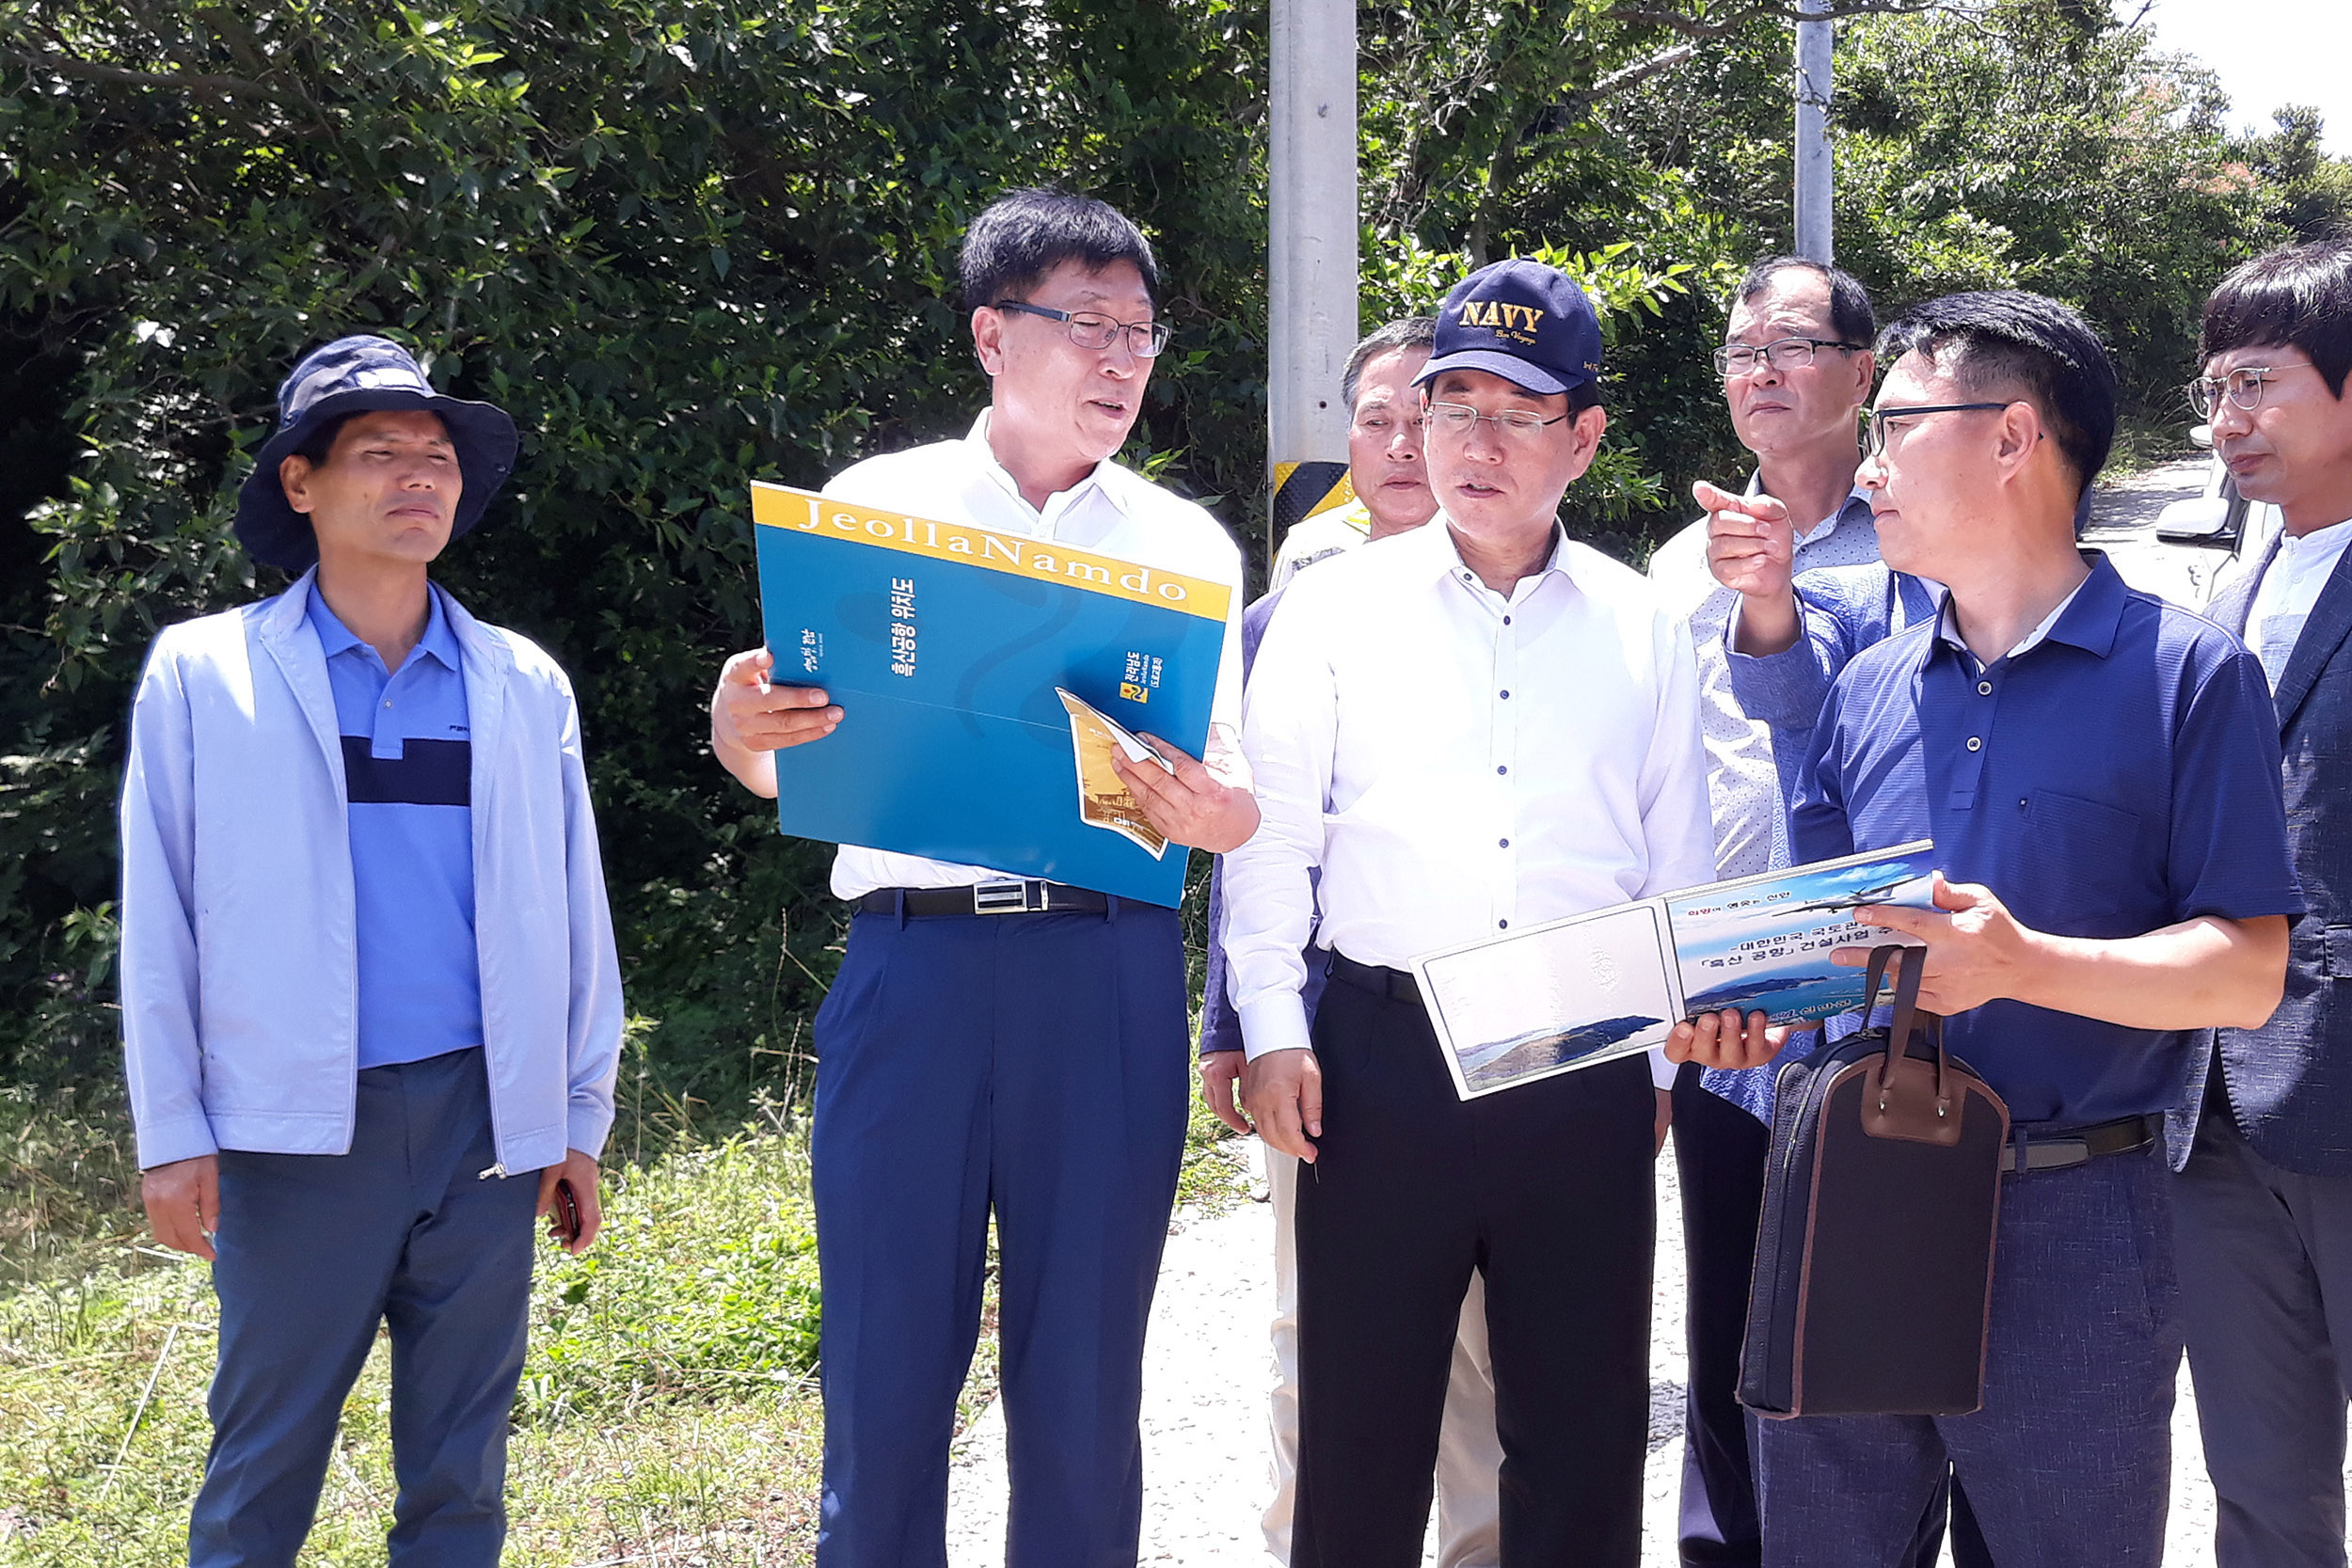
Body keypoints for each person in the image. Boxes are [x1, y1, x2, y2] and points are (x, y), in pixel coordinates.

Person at [1702, 290, 2299, 1567]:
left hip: (2078, 1219)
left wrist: (2025, 966)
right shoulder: (1863, 683)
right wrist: (1748, 1014)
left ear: (2014, 436)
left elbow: (2247, 975)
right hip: (1847, 1189)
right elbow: (1826, 952)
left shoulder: (2189, 675)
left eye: (1898, 425)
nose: (1866, 466)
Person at [706, 188, 1253, 1568]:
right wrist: (740, 740)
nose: (1126, 361)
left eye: (1143, 333)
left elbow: (1235, 801)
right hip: (915, 968)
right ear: (992, 338)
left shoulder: (1185, 548)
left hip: (1105, 971)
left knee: (1082, 1377)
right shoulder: (872, 512)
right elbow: (798, 760)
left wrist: (1213, 811)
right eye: (1092, 328)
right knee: (885, 1362)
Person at [1223, 256, 1765, 1568]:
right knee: (1360, 1446)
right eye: (1450, 404)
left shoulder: (1644, 624)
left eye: (1518, 412)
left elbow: (1676, 865)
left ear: (1583, 437)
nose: (1472, 440)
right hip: (1375, 1060)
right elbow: (1272, 840)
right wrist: (1272, 1027)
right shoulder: (1332, 608)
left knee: (1577, 1446)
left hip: (1579, 1063)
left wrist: (1652, 1055)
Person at [120, 334, 625, 1567]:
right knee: (262, 1463)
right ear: (302, 483)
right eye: (380, 453)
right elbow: (161, 914)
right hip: (296, 1132)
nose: (418, 478)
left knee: (461, 1471)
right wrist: (172, 1130)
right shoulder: (206, 673)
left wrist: (573, 1112)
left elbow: (577, 912)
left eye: (437, 457)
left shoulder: (520, 682)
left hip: (480, 1127)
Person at [1196, 315, 1508, 1568]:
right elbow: (1246, 834)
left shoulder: (1534, 607)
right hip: (1323, 1034)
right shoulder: (1290, 615)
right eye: (1371, 420)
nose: (1393, 444)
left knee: (1492, 1350)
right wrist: (1232, 1024)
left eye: (1414, 417)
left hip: (1495, 1028)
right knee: (1314, 1338)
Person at [1644, 256, 1895, 1568]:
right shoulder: (1683, 555)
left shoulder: (1919, 531)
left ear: (1863, 371)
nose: (1760, 371)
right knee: (1732, 1316)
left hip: (1888, 993)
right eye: (1741, 352)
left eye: (1791, 346)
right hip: (1732, 996)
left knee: (1878, 1321)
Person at [2168, 239, 2352, 1568]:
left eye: (2259, 383)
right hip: (2218, 1108)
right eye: (2213, 387)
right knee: (2260, 1478)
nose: (2227, 420)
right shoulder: (2230, 592)